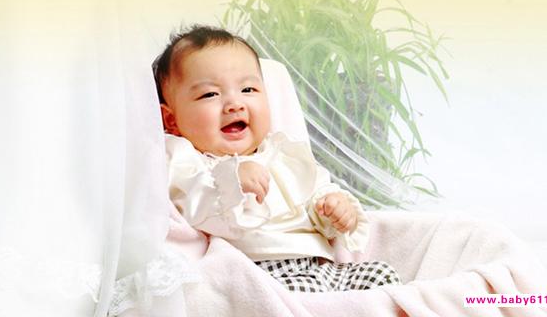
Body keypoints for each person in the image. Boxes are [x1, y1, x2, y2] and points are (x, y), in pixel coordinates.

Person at [152, 25, 401, 292]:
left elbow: (313, 192)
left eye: (248, 89)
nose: (235, 104)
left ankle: (355, 304)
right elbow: (196, 208)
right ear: (171, 119)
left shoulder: (282, 153)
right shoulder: (188, 162)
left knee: (382, 275)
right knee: (305, 297)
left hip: (321, 267)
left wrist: (333, 208)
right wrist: (232, 181)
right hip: (261, 276)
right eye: (210, 94)